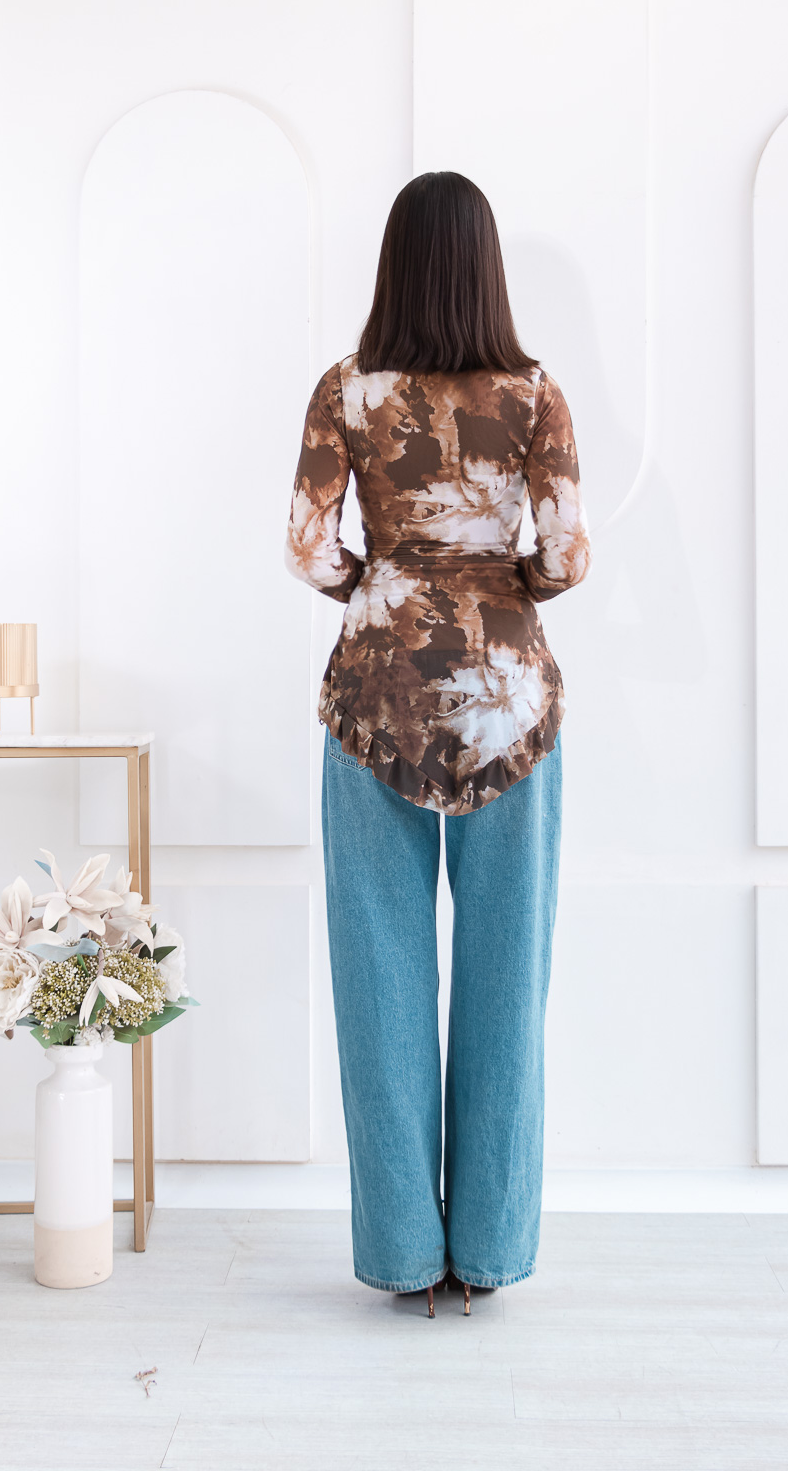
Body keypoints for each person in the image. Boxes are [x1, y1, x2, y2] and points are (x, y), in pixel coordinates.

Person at [285, 171, 591, 1317]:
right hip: (509, 705)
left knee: (379, 976)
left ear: (395, 264)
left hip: (374, 697)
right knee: (509, 981)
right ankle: (490, 1255)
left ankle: (404, 1256)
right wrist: (498, 586)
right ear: (484, 266)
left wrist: (383, 587)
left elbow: (307, 547)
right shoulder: (534, 393)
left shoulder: (345, 390)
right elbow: (564, 555)